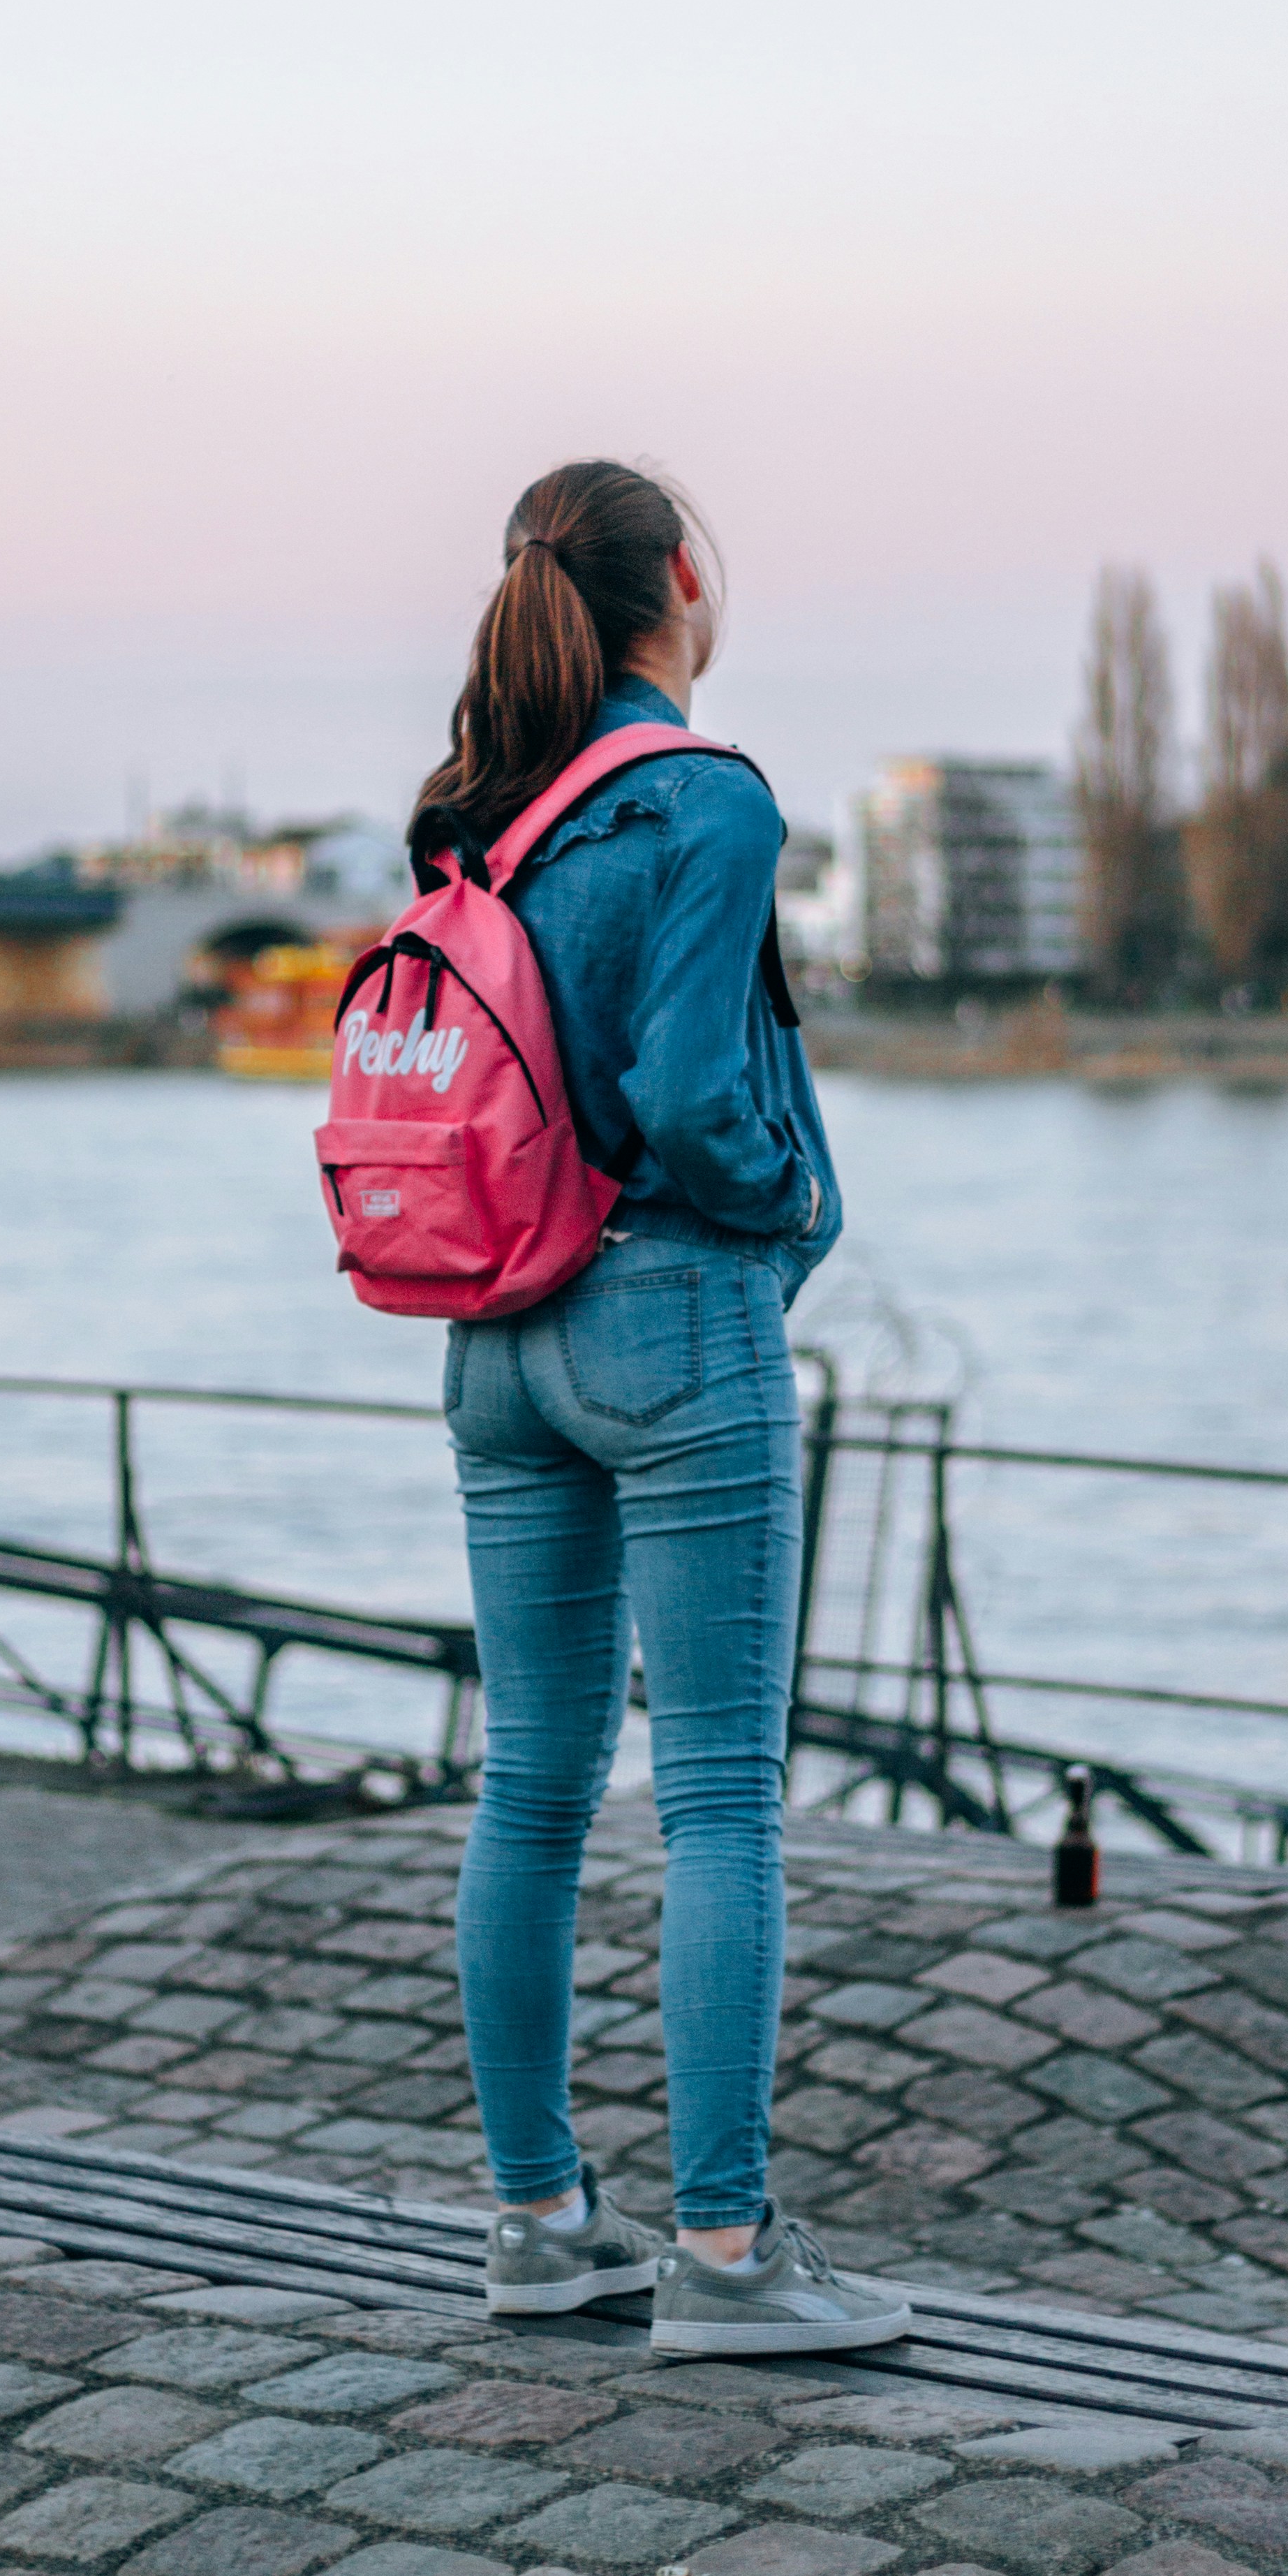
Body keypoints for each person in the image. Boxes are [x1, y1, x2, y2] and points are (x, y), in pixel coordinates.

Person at [414, 460, 909, 2357]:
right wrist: (790, 1202)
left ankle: (540, 2223)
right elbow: (698, 1087)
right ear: (683, 580)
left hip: (496, 1333)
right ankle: (724, 2259)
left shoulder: (488, 816)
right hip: (669, 1321)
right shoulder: (706, 799)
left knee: (530, 1784)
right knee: (717, 1794)